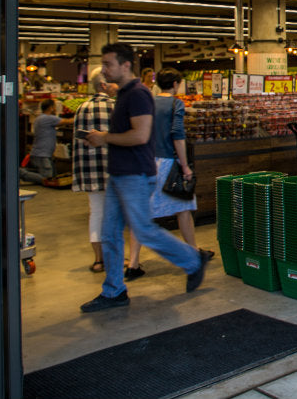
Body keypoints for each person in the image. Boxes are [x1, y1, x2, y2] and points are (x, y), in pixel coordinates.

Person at [80, 43, 208, 313]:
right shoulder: (126, 93)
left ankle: (192, 260)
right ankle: (114, 290)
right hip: (119, 174)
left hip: (135, 174)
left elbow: (140, 135)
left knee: (143, 229)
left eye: (108, 64)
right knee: (111, 233)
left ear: (125, 66)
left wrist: (103, 138)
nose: (104, 70)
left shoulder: (138, 95)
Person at [126, 68, 213, 281]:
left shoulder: (146, 102)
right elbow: (177, 135)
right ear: (175, 84)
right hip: (166, 162)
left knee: (141, 214)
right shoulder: (176, 104)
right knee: (183, 207)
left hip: (142, 162)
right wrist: (185, 166)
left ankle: (133, 263)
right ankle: (193, 253)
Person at [72, 68, 117, 273]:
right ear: (103, 85)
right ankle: (117, 257)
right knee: (114, 215)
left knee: (96, 213)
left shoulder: (81, 107)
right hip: (114, 168)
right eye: (113, 82)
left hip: (89, 169)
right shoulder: (115, 106)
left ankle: (99, 260)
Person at [19, 98, 73, 184]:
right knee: (47, 179)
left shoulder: (39, 118)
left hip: (41, 153)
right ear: (51, 107)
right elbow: (67, 121)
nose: (55, 109)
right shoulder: (47, 118)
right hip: (42, 154)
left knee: (50, 177)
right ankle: (20, 173)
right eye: (55, 107)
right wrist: (80, 115)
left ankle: (22, 172)